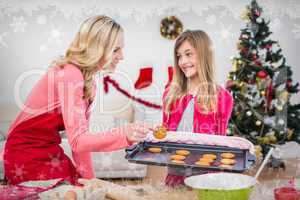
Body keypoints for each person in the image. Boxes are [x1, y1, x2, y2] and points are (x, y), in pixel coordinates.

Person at [3, 15, 152, 185]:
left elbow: (81, 144)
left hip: (47, 149)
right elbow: (78, 141)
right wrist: (124, 133)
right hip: (26, 151)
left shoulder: (89, 81)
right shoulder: (70, 73)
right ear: (97, 48)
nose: (122, 56)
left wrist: (90, 182)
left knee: (79, 188)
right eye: (116, 49)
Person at [162, 30, 234, 187]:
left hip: (207, 178)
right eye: (179, 56)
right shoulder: (170, 93)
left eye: (189, 54)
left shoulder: (222, 97)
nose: (183, 61)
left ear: (204, 55)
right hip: (175, 174)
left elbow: (220, 143)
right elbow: (165, 135)